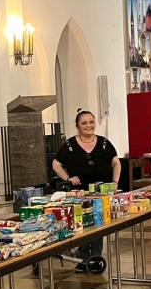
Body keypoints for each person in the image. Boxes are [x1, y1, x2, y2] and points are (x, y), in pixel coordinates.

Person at [52, 110, 121, 269]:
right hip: (79, 194)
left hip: (101, 193)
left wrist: (115, 182)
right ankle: (83, 257)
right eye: (84, 123)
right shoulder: (69, 145)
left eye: (91, 122)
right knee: (82, 225)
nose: (89, 125)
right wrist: (68, 178)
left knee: (98, 225)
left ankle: (94, 259)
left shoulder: (104, 143)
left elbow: (116, 163)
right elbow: (56, 164)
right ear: (77, 126)